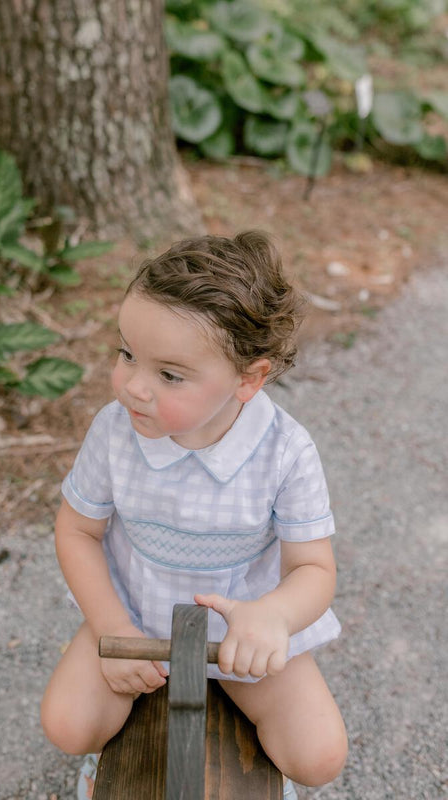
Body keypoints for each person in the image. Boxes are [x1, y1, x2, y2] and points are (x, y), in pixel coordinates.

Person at [41, 231, 348, 800]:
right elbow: (78, 529)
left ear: (248, 380)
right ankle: (103, 759)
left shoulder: (285, 451)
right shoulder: (115, 431)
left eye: (170, 375)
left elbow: (314, 568)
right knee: (68, 724)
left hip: (240, 640)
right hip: (134, 621)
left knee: (318, 755)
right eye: (127, 353)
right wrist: (111, 626)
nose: (133, 386)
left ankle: (266, 771)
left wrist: (274, 618)